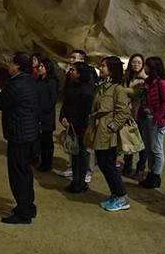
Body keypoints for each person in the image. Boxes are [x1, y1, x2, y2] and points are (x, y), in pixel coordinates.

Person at [0, 52, 39, 224]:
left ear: (17, 66)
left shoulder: (17, 85)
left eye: (10, 62)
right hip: (28, 134)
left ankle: (23, 213)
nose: (8, 65)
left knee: (18, 175)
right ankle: (28, 207)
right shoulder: (29, 81)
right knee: (25, 172)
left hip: (19, 135)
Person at [84, 56, 131, 211]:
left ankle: (122, 197)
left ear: (111, 69)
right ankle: (115, 194)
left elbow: (123, 112)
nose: (101, 68)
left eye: (103, 66)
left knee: (108, 165)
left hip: (107, 134)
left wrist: (112, 127)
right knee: (104, 165)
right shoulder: (102, 87)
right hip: (99, 131)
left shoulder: (117, 89)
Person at [60, 49, 96, 183]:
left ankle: (87, 172)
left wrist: (74, 122)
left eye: (74, 58)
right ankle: (74, 170)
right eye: (70, 58)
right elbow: (66, 99)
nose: (71, 60)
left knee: (85, 149)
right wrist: (63, 117)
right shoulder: (71, 79)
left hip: (80, 122)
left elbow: (85, 106)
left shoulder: (88, 80)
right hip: (71, 120)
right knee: (73, 145)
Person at [138, 56, 165, 189]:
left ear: (152, 68)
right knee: (149, 148)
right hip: (147, 118)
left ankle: (156, 176)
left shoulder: (161, 83)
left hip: (156, 120)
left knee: (156, 148)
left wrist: (156, 117)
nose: (144, 68)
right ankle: (151, 174)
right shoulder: (148, 81)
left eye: (146, 66)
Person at [121, 54, 148, 180]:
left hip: (139, 113)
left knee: (142, 142)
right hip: (128, 113)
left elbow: (136, 93)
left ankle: (141, 168)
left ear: (143, 64)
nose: (136, 65)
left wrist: (120, 90)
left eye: (138, 62)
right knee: (129, 139)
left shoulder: (144, 79)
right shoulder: (126, 78)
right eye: (133, 62)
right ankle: (128, 165)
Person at [35, 58, 59, 172]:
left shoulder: (51, 81)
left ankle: (47, 163)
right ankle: (42, 161)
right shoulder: (39, 80)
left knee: (47, 140)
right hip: (38, 114)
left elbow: (53, 98)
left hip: (47, 115)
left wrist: (45, 109)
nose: (39, 68)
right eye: (39, 66)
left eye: (42, 66)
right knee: (40, 140)